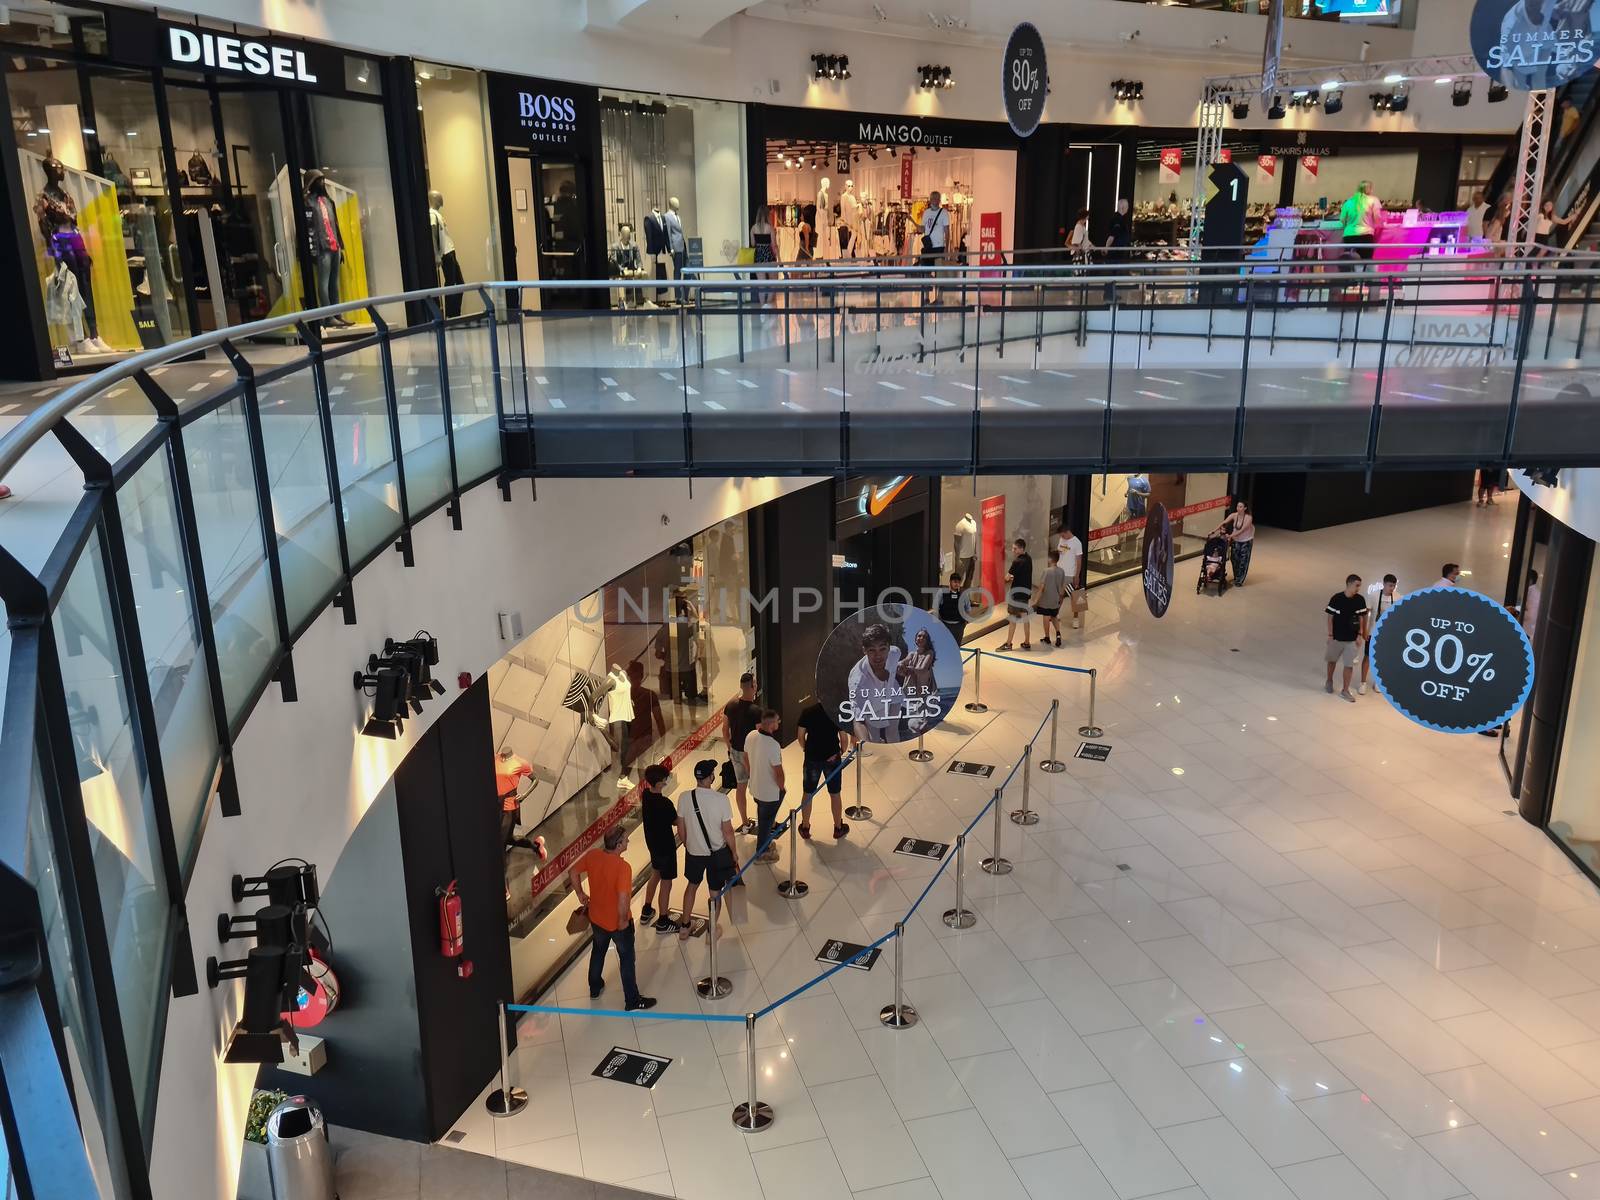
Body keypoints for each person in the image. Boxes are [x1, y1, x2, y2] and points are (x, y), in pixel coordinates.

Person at [568, 826, 657, 1010]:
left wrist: (580, 894)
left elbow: (573, 872)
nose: (628, 842)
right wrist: (623, 921)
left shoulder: (592, 856)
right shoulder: (622, 868)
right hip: (618, 923)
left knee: (598, 950)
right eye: (625, 839)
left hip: (596, 917)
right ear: (618, 845)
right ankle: (632, 1000)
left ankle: (594, 987)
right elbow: (624, 899)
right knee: (626, 960)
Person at [676, 759, 737, 942]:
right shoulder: (721, 800)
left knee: (691, 886)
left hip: (694, 853)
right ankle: (711, 930)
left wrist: (690, 844)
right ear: (710, 777)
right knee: (715, 892)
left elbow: (681, 829)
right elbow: (728, 832)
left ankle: (685, 928)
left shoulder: (684, 797)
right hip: (716, 854)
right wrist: (733, 852)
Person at [797, 698, 850, 840]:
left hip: (812, 759)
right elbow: (844, 739)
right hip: (832, 758)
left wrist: (806, 749)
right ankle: (838, 827)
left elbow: (800, 736)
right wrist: (840, 752)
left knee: (808, 793)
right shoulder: (835, 712)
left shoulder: (807, 712)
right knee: (835, 793)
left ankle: (805, 826)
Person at [637, 764, 680, 933]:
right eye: (664, 779)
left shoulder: (646, 795)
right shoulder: (664, 803)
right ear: (659, 783)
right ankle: (663, 920)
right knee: (666, 882)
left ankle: (647, 909)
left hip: (653, 845)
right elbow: (676, 821)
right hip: (666, 847)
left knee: (655, 873)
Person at [847, 624, 905, 743]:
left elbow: (896, 663)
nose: (878, 656)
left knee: (892, 731)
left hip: (893, 693)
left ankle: (897, 758)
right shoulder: (857, 681)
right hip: (871, 703)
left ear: (889, 647)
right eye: (872, 650)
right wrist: (867, 746)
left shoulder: (895, 653)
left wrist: (899, 667)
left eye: (882, 649)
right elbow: (858, 719)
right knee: (873, 738)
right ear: (864, 650)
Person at [722, 673, 762, 835]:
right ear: (752, 687)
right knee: (758, 787)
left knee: (741, 787)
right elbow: (761, 736)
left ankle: (745, 822)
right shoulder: (756, 711)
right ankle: (767, 820)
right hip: (750, 755)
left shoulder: (730, 706)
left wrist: (729, 747)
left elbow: (725, 729)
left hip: (735, 752)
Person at [744, 708, 785, 864]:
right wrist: (781, 788)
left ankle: (765, 844)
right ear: (772, 724)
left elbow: (745, 757)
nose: (779, 723)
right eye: (777, 721)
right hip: (770, 792)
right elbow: (778, 773)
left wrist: (752, 774)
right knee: (767, 821)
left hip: (755, 787)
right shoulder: (773, 745)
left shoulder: (751, 735)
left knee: (763, 816)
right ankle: (762, 852)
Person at [1325, 574, 1368, 703]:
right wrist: (1330, 635)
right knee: (1332, 661)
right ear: (1349, 584)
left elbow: (1361, 617)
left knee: (1349, 665)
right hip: (1337, 638)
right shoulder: (1336, 598)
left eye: (1359, 585)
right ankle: (1329, 680)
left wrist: (1360, 635)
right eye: (1357, 585)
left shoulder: (1360, 600)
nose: (1358, 588)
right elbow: (1330, 617)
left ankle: (1345, 690)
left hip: (1352, 639)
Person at [1360, 573, 1400, 695]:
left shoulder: (1398, 597)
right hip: (1373, 632)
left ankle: (1377, 681)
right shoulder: (1374, 595)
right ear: (1384, 584)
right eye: (1390, 585)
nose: (1391, 588)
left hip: (1387, 634)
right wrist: (1364, 630)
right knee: (1367, 657)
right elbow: (1365, 614)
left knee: (1382, 658)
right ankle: (1363, 682)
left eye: (1393, 586)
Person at [625, 660, 666, 772]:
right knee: (643, 769)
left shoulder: (625, 695)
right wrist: (663, 739)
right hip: (643, 738)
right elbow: (659, 719)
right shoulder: (649, 695)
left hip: (633, 738)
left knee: (627, 771)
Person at [999, 538, 1034, 651]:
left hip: (1016, 594)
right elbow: (1022, 574)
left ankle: (1008, 644)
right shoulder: (1028, 559)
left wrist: (1007, 578)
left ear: (1021, 548)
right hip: (1026, 593)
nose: (1013, 551)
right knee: (1025, 617)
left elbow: (1007, 577)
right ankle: (1027, 642)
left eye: (1015, 549)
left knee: (1013, 618)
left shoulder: (1017, 561)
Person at [1339, 181, 1382, 267]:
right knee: (1366, 264)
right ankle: (1364, 280)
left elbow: (1342, 219)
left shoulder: (1349, 202)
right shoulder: (1373, 200)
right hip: (1365, 235)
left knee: (1350, 263)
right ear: (1369, 189)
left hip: (1349, 236)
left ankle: (1351, 279)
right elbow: (1377, 218)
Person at [1035, 550, 1069, 648]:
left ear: (1050, 559)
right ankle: (1058, 633)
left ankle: (1047, 637)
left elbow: (1042, 587)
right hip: (1056, 599)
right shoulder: (1061, 571)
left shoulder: (1046, 571)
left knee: (1046, 617)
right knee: (1054, 616)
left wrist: (1036, 600)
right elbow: (1062, 587)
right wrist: (1060, 598)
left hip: (1046, 599)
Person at [1218, 501, 1255, 585]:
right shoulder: (1234, 515)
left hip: (1246, 541)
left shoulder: (1249, 518)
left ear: (1245, 508)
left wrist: (1230, 536)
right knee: (1233, 558)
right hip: (1236, 540)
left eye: (1241, 506)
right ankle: (1237, 576)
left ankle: (1239, 580)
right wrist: (1213, 530)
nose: (1238, 508)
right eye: (1238, 506)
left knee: (1243, 561)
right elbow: (1223, 523)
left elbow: (1242, 530)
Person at [1056, 523, 1084, 628]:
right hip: (1060, 572)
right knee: (1060, 595)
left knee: (1075, 597)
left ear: (1068, 532)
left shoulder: (1077, 543)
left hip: (1070, 573)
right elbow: (1060, 553)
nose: (1062, 538)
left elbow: (1079, 561)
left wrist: (1077, 575)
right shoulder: (1062, 540)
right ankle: (1056, 613)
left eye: (1063, 535)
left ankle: (1076, 619)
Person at [936, 572, 968, 646]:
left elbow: (968, 609)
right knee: (944, 646)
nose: (956, 584)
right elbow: (936, 608)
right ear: (950, 582)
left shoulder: (963, 594)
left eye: (958, 582)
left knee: (956, 646)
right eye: (954, 582)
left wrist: (964, 622)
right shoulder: (941, 593)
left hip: (959, 626)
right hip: (945, 624)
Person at [920, 189, 949, 266]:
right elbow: (922, 229)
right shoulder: (926, 212)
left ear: (939, 200)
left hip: (939, 246)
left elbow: (947, 231)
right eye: (933, 198)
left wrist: (946, 247)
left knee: (939, 271)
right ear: (930, 200)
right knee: (926, 269)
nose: (934, 201)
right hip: (928, 245)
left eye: (936, 199)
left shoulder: (944, 212)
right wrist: (912, 221)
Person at [1523, 569, 1542, 636]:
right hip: (1528, 630)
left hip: (1527, 631)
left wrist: (1517, 613)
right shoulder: (1533, 592)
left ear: (1530, 580)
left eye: (1524, 577)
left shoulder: (1533, 594)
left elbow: (1531, 616)